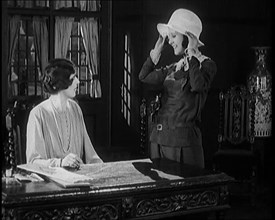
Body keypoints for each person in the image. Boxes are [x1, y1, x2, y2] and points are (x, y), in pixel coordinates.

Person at [139, 8, 217, 168]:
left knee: (186, 191)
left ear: (188, 39)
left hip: (183, 143)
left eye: (173, 36)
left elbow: (197, 86)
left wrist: (193, 53)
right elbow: (144, 77)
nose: (170, 41)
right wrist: (155, 53)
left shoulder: (206, 65)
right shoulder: (174, 67)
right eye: (169, 37)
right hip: (158, 140)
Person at [26, 58, 103, 168]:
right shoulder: (38, 114)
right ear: (59, 84)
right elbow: (33, 162)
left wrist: (105, 171)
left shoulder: (75, 109)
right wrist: (60, 163)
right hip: (49, 183)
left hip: (77, 179)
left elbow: (91, 156)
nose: (78, 81)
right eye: (72, 78)